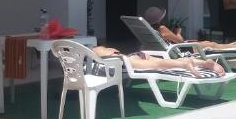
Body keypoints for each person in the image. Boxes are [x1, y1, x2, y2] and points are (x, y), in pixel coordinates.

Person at [142, 6, 236, 51]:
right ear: (160, 19)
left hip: (176, 48)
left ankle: (235, 44)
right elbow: (180, 41)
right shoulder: (162, 28)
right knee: (211, 45)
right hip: (182, 49)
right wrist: (179, 32)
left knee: (208, 43)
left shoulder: (150, 29)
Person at [92, 45, 226, 77]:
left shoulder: (95, 50)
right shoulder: (106, 48)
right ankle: (203, 62)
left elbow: (113, 57)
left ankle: (184, 64)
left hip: (126, 60)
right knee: (158, 62)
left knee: (157, 65)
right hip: (136, 54)